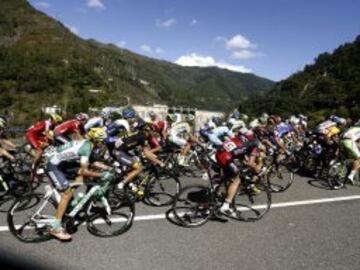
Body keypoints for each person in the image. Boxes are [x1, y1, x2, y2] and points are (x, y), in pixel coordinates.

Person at [46, 127, 113, 241]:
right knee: (66, 194)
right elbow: (84, 170)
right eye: (102, 142)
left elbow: (93, 162)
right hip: (53, 165)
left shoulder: (88, 144)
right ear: (96, 141)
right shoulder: (86, 148)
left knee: (81, 178)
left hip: (61, 162)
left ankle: (66, 200)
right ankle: (55, 228)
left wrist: (108, 168)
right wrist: (102, 175)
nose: (103, 144)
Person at [26, 114, 63, 180]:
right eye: (58, 122)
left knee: (48, 143)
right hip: (31, 134)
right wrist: (55, 140)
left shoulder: (51, 124)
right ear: (54, 121)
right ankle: (33, 166)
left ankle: (40, 160)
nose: (58, 124)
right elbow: (47, 134)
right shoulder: (47, 123)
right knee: (40, 151)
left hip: (37, 134)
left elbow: (52, 134)